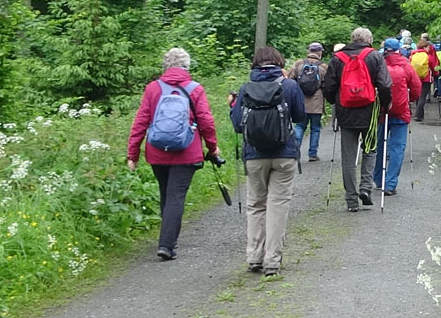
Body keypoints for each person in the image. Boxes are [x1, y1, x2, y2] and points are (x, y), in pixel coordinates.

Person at [126, 47, 222, 261]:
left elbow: (141, 121)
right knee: (176, 197)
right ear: (187, 67)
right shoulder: (195, 89)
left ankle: (166, 238)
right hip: (186, 152)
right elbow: (206, 121)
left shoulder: (153, 88)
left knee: (166, 194)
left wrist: (133, 154)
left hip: (157, 151)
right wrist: (212, 146)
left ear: (165, 66)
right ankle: (167, 245)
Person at [229, 46, 306, 275]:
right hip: (284, 154)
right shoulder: (289, 86)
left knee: (256, 205)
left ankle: (254, 256)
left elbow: (237, 125)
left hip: (254, 156)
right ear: (278, 62)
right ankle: (272, 260)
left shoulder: (245, 89)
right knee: (278, 206)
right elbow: (301, 117)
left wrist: (232, 106)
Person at [322, 28, 392, 213]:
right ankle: (365, 189)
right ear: (369, 40)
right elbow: (384, 84)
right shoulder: (375, 56)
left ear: (352, 39)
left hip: (345, 113)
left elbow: (328, 86)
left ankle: (351, 200)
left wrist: (335, 102)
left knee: (348, 157)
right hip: (369, 112)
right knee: (370, 150)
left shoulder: (338, 58)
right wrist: (386, 105)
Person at [375, 37, 421, 196]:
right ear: (399, 49)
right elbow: (416, 87)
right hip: (401, 112)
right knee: (397, 149)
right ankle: (390, 184)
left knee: (380, 145)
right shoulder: (406, 66)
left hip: (381, 112)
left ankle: (378, 179)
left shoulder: (379, 65)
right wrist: (410, 100)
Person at [291, 42, 327, 161]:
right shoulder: (323, 67)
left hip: (301, 101)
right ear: (320, 52)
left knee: (300, 126)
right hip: (316, 102)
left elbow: (290, 79)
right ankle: (312, 154)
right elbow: (327, 85)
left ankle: (295, 152)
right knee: (315, 128)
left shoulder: (299, 64)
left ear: (309, 51)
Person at [411, 33, 440, 122]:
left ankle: (420, 114)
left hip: (416, 78)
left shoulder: (413, 55)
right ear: (424, 47)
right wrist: (436, 74)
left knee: (418, 96)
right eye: (428, 47)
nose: (429, 49)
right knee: (422, 96)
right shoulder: (429, 56)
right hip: (426, 79)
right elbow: (434, 68)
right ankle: (418, 115)